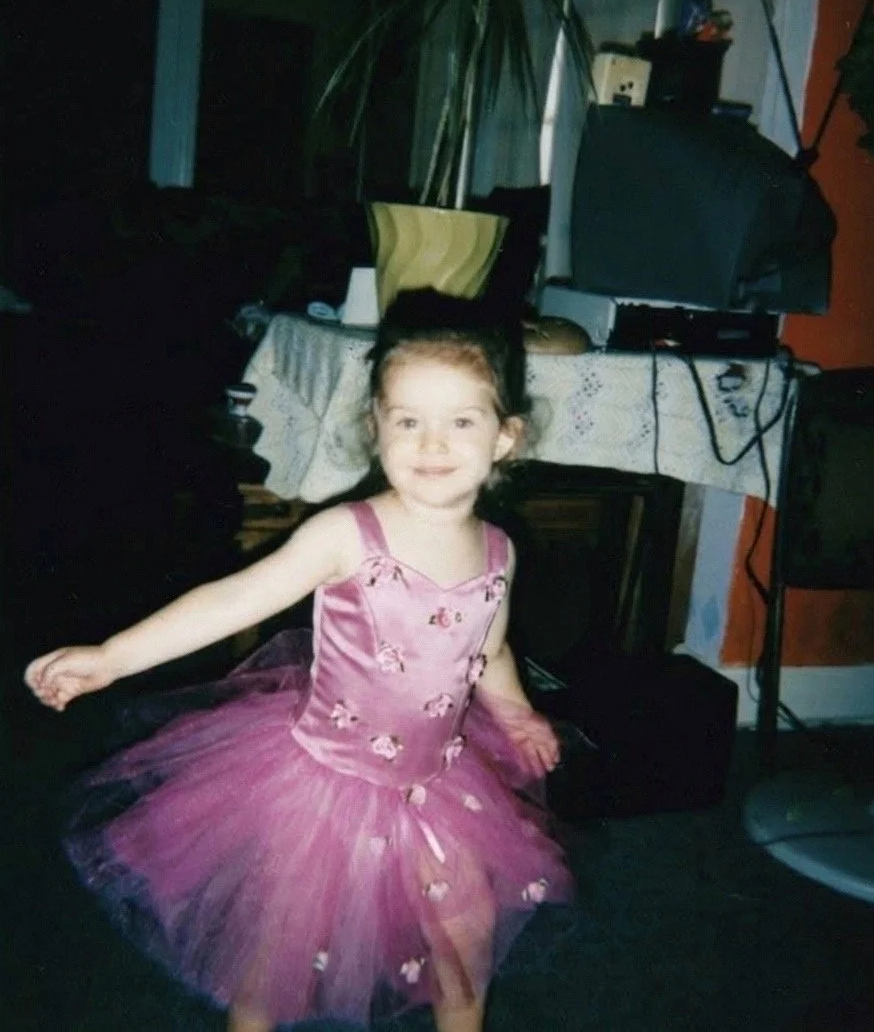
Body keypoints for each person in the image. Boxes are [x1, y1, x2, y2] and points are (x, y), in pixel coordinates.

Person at [25, 288, 572, 1032]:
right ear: (376, 425)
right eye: (407, 420)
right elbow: (233, 599)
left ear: (505, 437)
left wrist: (515, 710)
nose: (431, 444)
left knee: (466, 952)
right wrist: (112, 656)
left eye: (460, 422)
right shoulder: (346, 533)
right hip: (323, 788)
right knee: (277, 964)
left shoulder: (499, 552)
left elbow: (491, 646)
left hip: (438, 784)